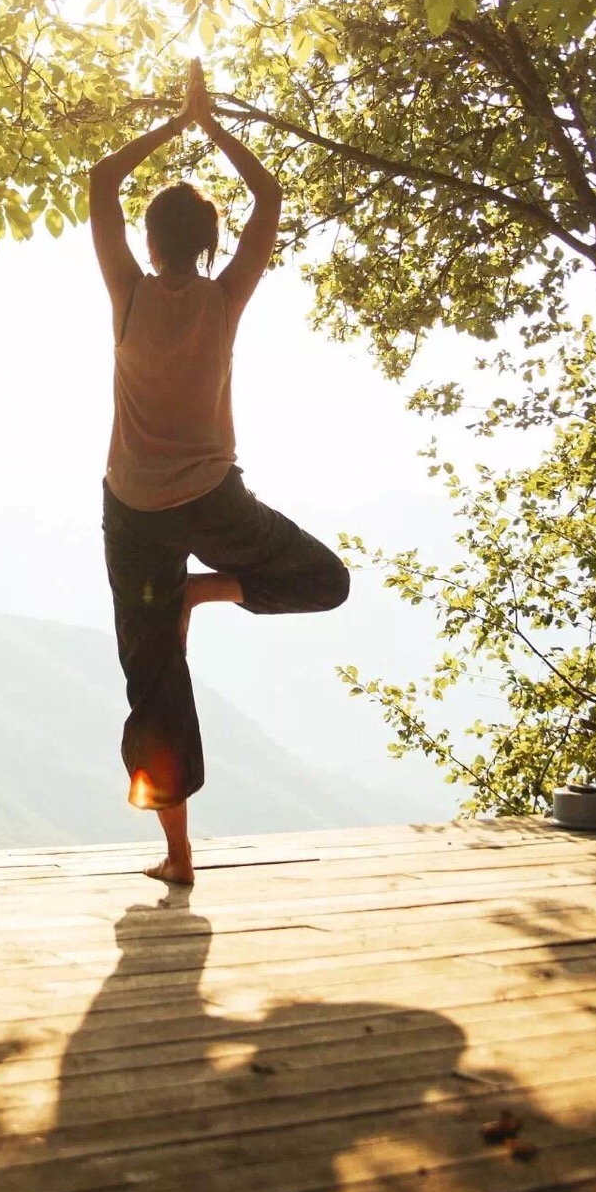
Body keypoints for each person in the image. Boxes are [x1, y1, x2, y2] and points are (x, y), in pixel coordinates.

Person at [89, 60, 351, 885]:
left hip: (131, 510)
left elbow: (101, 182)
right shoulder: (223, 298)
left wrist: (171, 123)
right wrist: (211, 125)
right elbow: (268, 203)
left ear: (149, 241)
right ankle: (207, 588)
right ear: (206, 245)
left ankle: (178, 857)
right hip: (212, 506)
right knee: (325, 578)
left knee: (153, 680)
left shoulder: (126, 292)